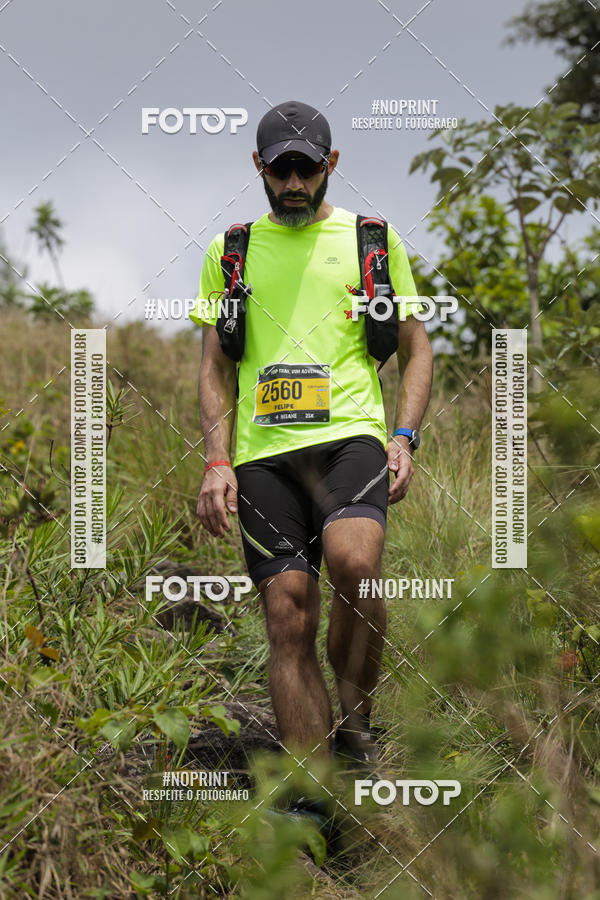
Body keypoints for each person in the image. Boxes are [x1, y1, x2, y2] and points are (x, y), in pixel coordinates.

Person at [193, 100, 433, 765]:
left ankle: (357, 732)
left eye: (305, 168)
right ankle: (314, 792)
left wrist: (403, 435)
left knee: (357, 567)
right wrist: (217, 461)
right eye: (280, 170)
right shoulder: (231, 252)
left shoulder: (371, 243)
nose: (293, 183)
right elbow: (214, 366)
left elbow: (418, 349)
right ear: (259, 168)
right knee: (288, 612)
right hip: (264, 458)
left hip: (350, 439)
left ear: (330, 164)